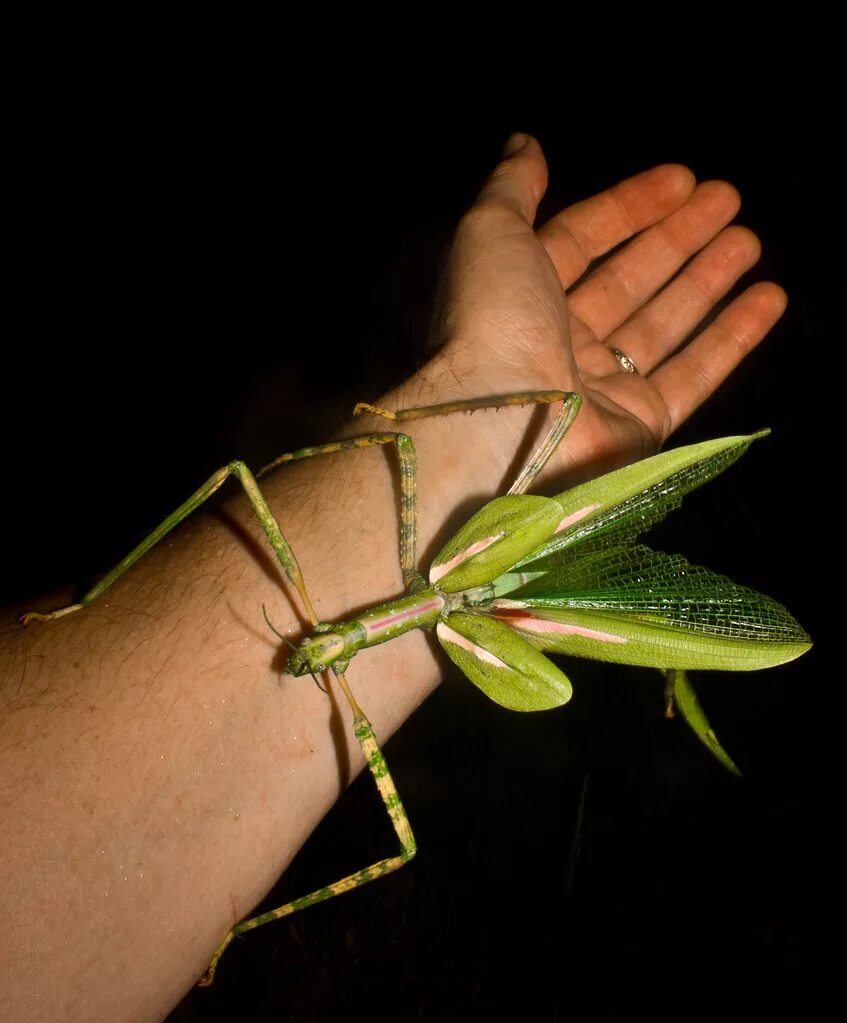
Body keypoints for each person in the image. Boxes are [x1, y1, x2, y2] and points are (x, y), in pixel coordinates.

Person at [0, 134, 786, 1021]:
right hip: (486, 582)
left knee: (401, 833)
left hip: (485, 584)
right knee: (399, 840)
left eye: (317, 645)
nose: (312, 648)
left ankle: (675, 654)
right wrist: (443, 405)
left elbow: (249, 478)